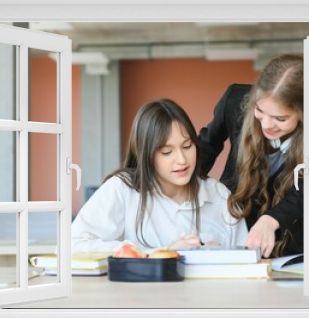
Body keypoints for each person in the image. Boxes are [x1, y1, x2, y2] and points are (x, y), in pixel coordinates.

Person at [198, 54, 309, 258]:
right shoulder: (234, 100)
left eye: (281, 118)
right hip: (233, 222)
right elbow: (205, 148)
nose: (266, 124)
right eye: (259, 111)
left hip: (290, 233)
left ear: (305, 113)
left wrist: (271, 220)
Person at [72, 98, 248, 253]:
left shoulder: (218, 194)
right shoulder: (122, 188)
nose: (181, 159)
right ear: (146, 154)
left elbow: (245, 258)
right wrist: (161, 253)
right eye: (166, 152)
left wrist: (222, 256)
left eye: (187, 147)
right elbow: (74, 244)